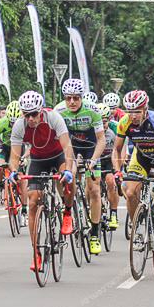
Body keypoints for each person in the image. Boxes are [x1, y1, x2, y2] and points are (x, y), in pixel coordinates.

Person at [7, 91, 75, 272]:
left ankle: (68, 212)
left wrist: (68, 170)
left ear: (41, 111)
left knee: (68, 179)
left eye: (34, 114)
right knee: (33, 200)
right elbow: (14, 155)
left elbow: (67, 147)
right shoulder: (20, 126)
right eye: (26, 114)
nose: (30, 119)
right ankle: (36, 252)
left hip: (58, 155)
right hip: (38, 160)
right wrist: (13, 171)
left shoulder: (53, 118)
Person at [114, 90, 154, 250]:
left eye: (137, 111)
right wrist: (117, 170)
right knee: (129, 192)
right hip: (141, 159)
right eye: (129, 111)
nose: (133, 116)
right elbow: (117, 149)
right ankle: (138, 229)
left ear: (145, 109)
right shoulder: (124, 122)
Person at [59, 78, 106, 255]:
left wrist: (93, 161)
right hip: (70, 146)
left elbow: (101, 139)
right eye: (68, 98)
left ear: (81, 97)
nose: (72, 102)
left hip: (90, 147)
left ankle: (94, 233)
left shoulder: (92, 110)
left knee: (94, 189)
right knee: (67, 176)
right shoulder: (60, 111)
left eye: (76, 98)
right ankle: (68, 208)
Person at [97, 103, 120, 230]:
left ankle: (114, 213)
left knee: (111, 182)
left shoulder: (113, 131)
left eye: (104, 122)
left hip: (109, 160)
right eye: (99, 123)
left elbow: (119, 149)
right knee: (91, 187)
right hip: (96, 161)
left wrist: (118, 167)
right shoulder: (92, 133)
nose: (102, 126)